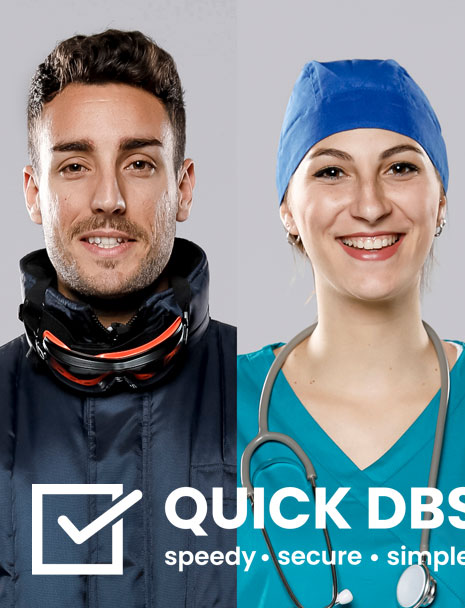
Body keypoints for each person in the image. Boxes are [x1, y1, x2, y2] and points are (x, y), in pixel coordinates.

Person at [237, 58, 465, 608]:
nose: (371, 205)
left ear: (440, 199)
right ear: (287, 208)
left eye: (400, 168)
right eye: (331, 172)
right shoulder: (207, 412)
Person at [1, 29, 235, 607]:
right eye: (75, 165)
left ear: (183, 188)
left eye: (137, 162)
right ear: (34, 193)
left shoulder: (270, 392)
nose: (108, 197)